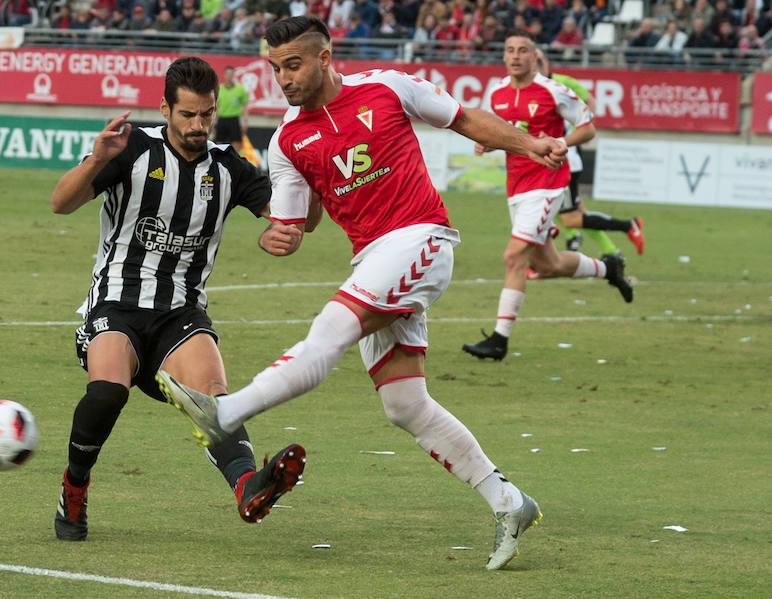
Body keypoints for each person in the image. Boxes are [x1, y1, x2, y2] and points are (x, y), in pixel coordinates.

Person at [157, 15, 569, 571]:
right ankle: (509, 501)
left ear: (326, 57)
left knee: (330, 328)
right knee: (404, 404)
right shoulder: (286, 140)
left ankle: (227, 413)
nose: (284, 78)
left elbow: (465, 119)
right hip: (373, 258)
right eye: (276, 68)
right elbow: (299, 221)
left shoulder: (387, 87)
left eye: (294, 65)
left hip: (421, 236)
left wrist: (530, 144)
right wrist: (282, 234)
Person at [49, 57, 306, 542]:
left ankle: (249, 485)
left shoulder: (228, 166)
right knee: (107, 391)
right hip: (116, 306)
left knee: (215, 400)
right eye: (187, 115)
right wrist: (98, 159)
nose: (198, 125)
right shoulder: (130, 150)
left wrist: (285, 233)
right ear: (164, 107)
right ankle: (74, 487)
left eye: (206, 114)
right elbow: (61, 202)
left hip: (181, 313)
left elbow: (290, 216)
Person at [462, 29, 633, 362]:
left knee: (514, 258)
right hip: (516, 187)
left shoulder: (553, 91)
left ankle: (499, 341)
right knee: (548, 264)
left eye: (522, 50)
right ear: (504, 56)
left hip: (548, 183)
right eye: (510, 50)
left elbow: (588, 127)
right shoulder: (496, 92)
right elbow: (501, 131)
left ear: (535, 55)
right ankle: (608, 269)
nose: (515, 56)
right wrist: (487, 142)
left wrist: (561, 143)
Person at [535, 49, 644, 262]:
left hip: (564, 157)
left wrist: (575, 129)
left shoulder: (562, 83)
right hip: (549, 157)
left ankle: (625, 226)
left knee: (569, 217)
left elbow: (589, 103)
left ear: (546, 62)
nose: (537, 64)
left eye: (539, 60)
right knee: (569, 213)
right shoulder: (531, 89)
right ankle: (610, 251)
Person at [214, 66, 250, 154]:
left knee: (237, 144)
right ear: (224, 75)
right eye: (227, 74)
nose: (229, 76)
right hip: (222, 119)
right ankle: (220, 163)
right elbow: (215, 106)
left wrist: (245, 122)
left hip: (234, 119)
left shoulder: (240, 89)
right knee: (219, 143)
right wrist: (213, 121)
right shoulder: (219, 89)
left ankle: (236, 163)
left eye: (231, 74)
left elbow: (245, 106)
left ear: (234, 75)